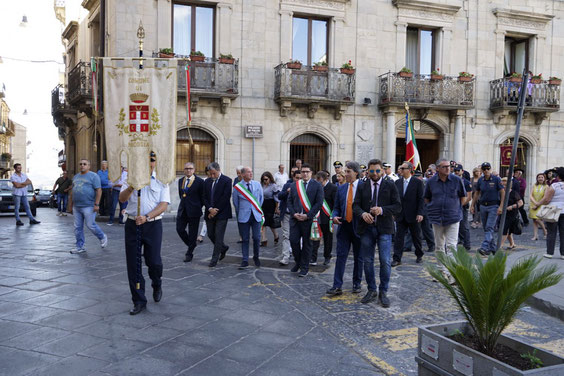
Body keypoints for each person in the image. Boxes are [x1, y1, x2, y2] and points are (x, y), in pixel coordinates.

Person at [119, 151, 170, 315]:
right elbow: (122, 198)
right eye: (146, 160)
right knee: (133, 265)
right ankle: (139, 300)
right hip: (133, 224)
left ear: (155, 162)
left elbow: (163, 205)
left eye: (152, 160)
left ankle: (157, 282)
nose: (149, 163)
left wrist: (147, 217)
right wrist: (133, 186)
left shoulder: (162, 179)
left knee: (154, 261)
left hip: (152, 224)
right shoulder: (129, 178)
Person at [353, 159, 401, 307]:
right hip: (367, 228)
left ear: (382, 171)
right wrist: (362, 214)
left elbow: (398, 206)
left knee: (385, 261)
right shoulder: (362, 185)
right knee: (367, 261)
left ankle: (383, 291)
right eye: (372, 171)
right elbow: (355, 205)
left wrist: (382, 210)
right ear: (368, 171)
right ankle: (371, 289)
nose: (375, 174)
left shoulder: (390, 185)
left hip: (384, 228)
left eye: (377, 171)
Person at [424, 158, 466, 284]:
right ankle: (442, 271)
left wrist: (455, 208)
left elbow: (463, 197)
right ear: (437, 169)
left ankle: (452, 273)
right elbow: (427, 198)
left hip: (453, 217)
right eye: (444, 167)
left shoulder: (457, 180)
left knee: (452, 246)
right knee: (439, 246)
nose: (448, 168)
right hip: (436, 218)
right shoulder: (431, 182)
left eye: (449, 166)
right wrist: (432, 207)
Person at [326, 161, 364, 296]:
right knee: (341, 256)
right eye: (345, 171)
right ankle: (337, 285)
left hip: (359, 227)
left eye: (348, 171)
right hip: (343, 226)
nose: (345, 174)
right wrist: (334, 216)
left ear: (356, 173)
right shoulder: (341, 188)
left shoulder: (364, 187)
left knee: (359, 257)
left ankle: (356, 283)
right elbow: (336, 207)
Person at [287, 163, 324, 277]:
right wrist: (294, 214)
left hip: (308, 220)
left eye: (307, 171)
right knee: (294, 242)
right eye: (303, 171)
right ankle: (298, 262)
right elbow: (289, 201)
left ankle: (304, 267)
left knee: (307, 245)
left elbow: (319, 203)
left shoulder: (317, 186)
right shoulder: (294, 185)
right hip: (295, 220)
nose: (305, 173)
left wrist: (308, 215)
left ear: (311, 173)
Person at [68, 159, 107, 254]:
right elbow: (73, 191)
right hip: (77, 206)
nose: (82, 166)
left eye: (84, 164)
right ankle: (80, 246)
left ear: (89, 166)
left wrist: (96, 204)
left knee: (90, 225)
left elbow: (99, 190)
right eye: (80, 164)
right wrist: (70, 205)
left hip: (89, 205)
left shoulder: (94, 176)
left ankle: (102, 236)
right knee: (77, 227)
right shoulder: (76, 177)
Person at [392, 161, 425, 266]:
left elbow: (421, 199)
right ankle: (397, 258)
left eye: (403, 168)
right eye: (400, 168)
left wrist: (420, 213)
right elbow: (394, 199)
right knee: (399, 238)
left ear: (409, 170)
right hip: (400, 215)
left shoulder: (418, 182)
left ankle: (419, 254)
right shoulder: (397, 182)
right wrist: (393, 212)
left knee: (416, 237)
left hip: (413, 214)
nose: (400, 170)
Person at [233, 166, 264, 268]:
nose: (251, 173)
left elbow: (260, 199)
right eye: (248, 172)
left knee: (256, 237)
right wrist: (241, 212)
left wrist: (256, 210)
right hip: (244, 216)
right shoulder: (237, 187)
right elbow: (236, 203)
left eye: (251, 171)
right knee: (245, 239)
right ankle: (245, 259)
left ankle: (256, 257)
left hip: (256, 216)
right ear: (242, 174)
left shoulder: (257, 184)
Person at [203, 162, 233, 267]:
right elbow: (204, 197)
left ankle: (214, 259)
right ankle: (223, 248)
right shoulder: (206, 181)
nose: (212, 176)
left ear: (218, 170)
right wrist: (210, 209)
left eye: (214, 173)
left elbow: (225, 197)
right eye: (210, 174)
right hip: (209, 212)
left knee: (219, 236)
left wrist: (215, 211)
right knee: (211, 234)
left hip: (222, 213)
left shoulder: (227, 180)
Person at [471, 162, 505, 256]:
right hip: (483, 206)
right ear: (481, 170)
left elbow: (502, 192)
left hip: (493, 206)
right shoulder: (481, 180)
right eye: (484, 169)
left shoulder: (496, 179)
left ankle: (484, 247)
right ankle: (493, 248)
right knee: (486, 228)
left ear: (490, 169)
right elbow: (477, 193)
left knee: (489, 227)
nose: (486, 170)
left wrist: (501, 206)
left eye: (487, 169)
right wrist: (472, 205)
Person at [176, 162, 205, 262]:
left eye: (190, 168)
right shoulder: (181, 181)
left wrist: (197, 206)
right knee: (179, 229)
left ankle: (189, 253)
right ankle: (191, 244)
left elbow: (202, 197)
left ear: (194, 170)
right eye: (186, 168)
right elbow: (181, 194)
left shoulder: (200, 181)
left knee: (193, 233)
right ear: (184, 170)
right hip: (183, 210)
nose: (188, 170)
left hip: (194, 211)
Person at [536, 167, 564, 259]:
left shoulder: (554, 186)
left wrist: (538, 204)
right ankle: (563, 253)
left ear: (558, 176)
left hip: (554, 210)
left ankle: (550, 252)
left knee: (551, 232)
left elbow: (547, 199)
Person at [311, 171, 337, 266]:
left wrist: (333, 216)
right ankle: (313, 257)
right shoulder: (316, 187)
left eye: (321, 182)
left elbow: (335, 203)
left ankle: (327, 256)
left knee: (327, 238)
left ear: (326, 179)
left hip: (327, 217)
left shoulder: (333, 188)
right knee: (315, 238)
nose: (319, 184)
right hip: (317, 217)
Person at [277, 169, 301, 265]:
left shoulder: (304, 187)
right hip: (287, 215)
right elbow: (279, 196)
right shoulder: (288, 185)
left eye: (300, 178)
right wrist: (287, 192)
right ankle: (285, 257)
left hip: (299, 215)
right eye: (296, 178)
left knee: (298, 237)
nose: (298, 180)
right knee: (286, 236)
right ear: (293, 177)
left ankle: (299, 257)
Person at [499, 177, 523, 250]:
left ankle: (500, 245)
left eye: (506, 185)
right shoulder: (500, 193)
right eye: (503, 185)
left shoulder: (514, 193)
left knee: (505, 229)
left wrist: (512, 206)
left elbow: (520, 203)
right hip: (503, 213)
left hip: (511, 213)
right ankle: (512, 243)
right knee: (508, 229)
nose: (504, 186)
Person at [454, 164, 472, 251]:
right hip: (454, 206)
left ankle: (467, 243)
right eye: (455, 171)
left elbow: (469, 197)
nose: (457, 172)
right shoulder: (452, 181)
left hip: (463, 206)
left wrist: (461, 204)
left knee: (464, 226)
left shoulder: (466, 182)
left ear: (462, 171)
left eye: (458, 170)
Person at [260, 171, 280, 246]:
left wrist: (277, 208)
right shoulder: (262, 185)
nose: (265, 181)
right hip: (263, 204)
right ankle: (264, 239)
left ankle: (276, 235)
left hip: (271, 204)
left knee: (270, 222)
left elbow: (276, 198)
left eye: (266, 179)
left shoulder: (273, 186)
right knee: (263, 222)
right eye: (263, 179)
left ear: (270, 178)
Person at [529, 173, 548, 241]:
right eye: (539, 177)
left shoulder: (546, 186)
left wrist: (538, 204)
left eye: (542, 177)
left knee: (538, 219)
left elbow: (545, 197)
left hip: (541, 205)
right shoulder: (534, 185)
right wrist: (535, 203)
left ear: (544, 178)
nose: (540, 178)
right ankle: (535, 235)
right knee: (534, 221)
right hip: (533, 204)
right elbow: (530, 195)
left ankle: (545, 231)